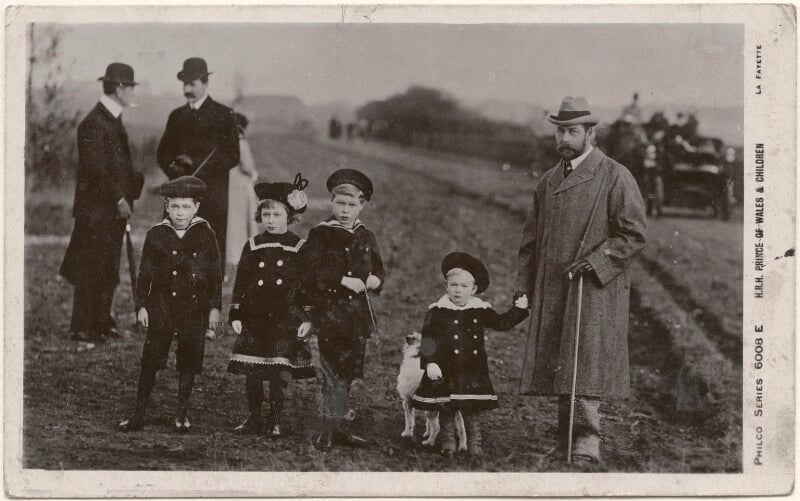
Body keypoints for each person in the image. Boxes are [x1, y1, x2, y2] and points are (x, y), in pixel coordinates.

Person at [515, 96, 647, 464]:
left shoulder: (615, 175)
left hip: (594, 287)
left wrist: (596, 261)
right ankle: (566, 435)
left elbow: (634, 234)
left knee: (585, 358)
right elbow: (530, 242)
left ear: (591, 134)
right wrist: (523, 288)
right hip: (554, 285)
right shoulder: (548, 181)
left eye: (572, 131)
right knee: (562, 358)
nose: (564, 139)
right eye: (559, 132)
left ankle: (587, 439)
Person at [118, 176, 222, 433]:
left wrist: (214, 308)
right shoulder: (157, 234)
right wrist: (142, 306)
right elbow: (145, 274)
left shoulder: (206, 234)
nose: (180, 213)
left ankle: (181, 413)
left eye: (186, 206)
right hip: (162, 304)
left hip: (194, 307)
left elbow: (214, 275)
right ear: (166, 206)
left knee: (189, 359)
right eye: (174, 206)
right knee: (151, 358)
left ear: (196, 207)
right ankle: (138, 413)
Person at [299, 168, 385, 451]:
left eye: (351, 204)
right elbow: (308, 272)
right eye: (340, 203)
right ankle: (327, 428)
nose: (345, 210)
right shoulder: (321, 234)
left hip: (357, 318)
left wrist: (376, 280)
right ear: (331, 203)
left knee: (347, 373)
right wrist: (341, 279)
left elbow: (378, 270)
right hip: (330, 315)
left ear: (362, 205)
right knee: (332, 372)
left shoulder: (367, 236)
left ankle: (338, 427)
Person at [412, 252, 529, 457]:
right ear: (447, 286)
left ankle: (475, 444)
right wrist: (429, 363)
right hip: (445, 369)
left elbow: (502, 323)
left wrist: (519, 310)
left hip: (472, 370)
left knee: (472, 409)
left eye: (464, 286)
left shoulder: (479, 310)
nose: (458, 290)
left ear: (474, 289)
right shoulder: (437, 311)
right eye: (454, 285)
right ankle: (448, 443)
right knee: (446, 406)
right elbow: (428, 339)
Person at [60, 63, 144, 343]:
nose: (132, 92)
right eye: (130, 87)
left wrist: (131, 189)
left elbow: (118, 167)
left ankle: (101, 323)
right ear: (119, 88)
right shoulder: (94, 123)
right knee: (91, 266)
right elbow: (96, 171)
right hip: (96, 211)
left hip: (110, 210)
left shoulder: (112, 119)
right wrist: (120, 199)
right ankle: (82, 327)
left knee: (108, 266)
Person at [227, 174, 316, 437]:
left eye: (277, 215)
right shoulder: (253, 245)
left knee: (279, 369)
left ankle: (274, 420)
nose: (271, 220)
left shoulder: (299, 247)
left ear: (290, 216)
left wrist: (308, 319)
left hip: (285, 318)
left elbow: (307, 288)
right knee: (252, 369)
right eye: (266, 215)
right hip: (255, 317)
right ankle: (254, 416)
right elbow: (241, 282)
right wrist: (236, 312)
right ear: (259, 216)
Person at [156, 57, 239, 273]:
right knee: (175, 257)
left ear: (205, 83)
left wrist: (196, 166)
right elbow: (162, 152)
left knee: (207, 260)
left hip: (211, 198)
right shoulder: (176, 116)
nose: (187, 90)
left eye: (192, 84)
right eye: (184, 84)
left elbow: (232, 155)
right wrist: (172, 168)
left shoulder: (224, 115)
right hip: (178, 198)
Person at [225, 112, 259, 272]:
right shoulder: (240, 142)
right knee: (242, 220)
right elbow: (248, 166)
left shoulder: (225, 141)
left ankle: (230, 254)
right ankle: (239, 254)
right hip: (241, 185)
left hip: (229, 184)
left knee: (232, 220)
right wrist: (254, 174)